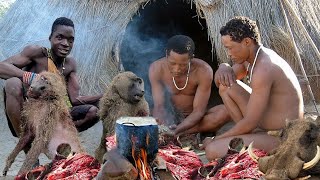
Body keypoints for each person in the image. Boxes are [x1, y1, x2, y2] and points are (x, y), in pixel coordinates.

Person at [204, 16, 304, 160]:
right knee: (227, 86)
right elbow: (222, 82)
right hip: (261, 126)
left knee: (212, 150)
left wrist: (216, 140)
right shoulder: (251, 59)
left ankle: (248, 137)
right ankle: (247, 136)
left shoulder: (264, 67)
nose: (229, 53)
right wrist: (223, 67)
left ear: (247, 42)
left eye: (230, 48)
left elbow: (250, 121)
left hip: (284, 137)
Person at [0, 17, 102, 138]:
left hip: (54, 115)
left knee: (93, 112)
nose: (65, 44)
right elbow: (2, 67)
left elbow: (75, 99)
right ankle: (26, 142)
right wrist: (33, 77)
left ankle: (59, 139)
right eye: (60, 37)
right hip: (30, 113)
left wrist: (103, 96)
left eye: (70, 40)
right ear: (50, 38)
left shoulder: (70, 64)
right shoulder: (37, 53)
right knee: (12, 83)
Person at [149, 35, 230, 137]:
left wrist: (178, 129)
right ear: (166, 55)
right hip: (168, 117)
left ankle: (178, 133)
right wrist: (163, 126)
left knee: (225, 112)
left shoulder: (203, 70)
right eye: (172, 63)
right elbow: (159, 106)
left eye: (183, 65)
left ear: (191, 58)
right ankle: (171, 131)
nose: (177, 69)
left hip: (194, 119)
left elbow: (199, 111)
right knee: (146, 114)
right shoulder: (156, 68)